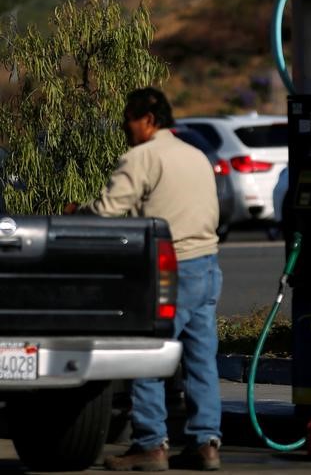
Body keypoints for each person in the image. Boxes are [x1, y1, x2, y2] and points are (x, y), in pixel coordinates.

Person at [68, 87, 223, 471]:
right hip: (207, 265)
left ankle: (151, 444)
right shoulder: (195, 155)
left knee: (148, 352)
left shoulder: (142, 157)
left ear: (149, 120)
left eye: (129, 120)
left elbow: (106, 211)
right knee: (201, 359)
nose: (125, 128)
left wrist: (74, 212)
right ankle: (207, 444)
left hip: (168, 268)